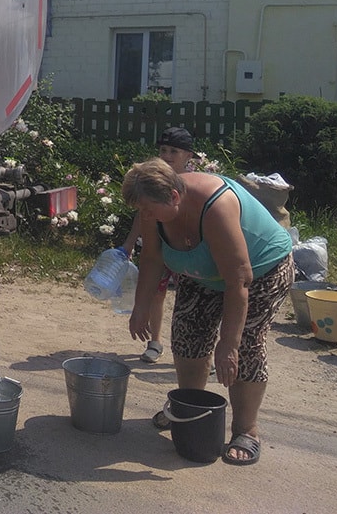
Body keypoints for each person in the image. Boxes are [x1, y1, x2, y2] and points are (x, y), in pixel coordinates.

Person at [121, 157, 294, 466]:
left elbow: (238, 281)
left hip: (258, 272)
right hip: (202, 272)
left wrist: (228, 343)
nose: (144, 216)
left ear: (173, 197)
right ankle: (190, 411)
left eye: (148, 209)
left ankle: (246, 431)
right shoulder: (153, 210)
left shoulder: (216, 207)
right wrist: (141, 306)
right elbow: (150, 259)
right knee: (188, 335)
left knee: (246, 345)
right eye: (140, 210)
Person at [121, 126, 195, 363]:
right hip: (157, 246)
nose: (167, 156)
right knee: (156, 293)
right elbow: (142, 214)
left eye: (174, 151)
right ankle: (155, 341)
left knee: (195, 299)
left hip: (186, 250)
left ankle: (201, 350)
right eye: (163, 150)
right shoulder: (151, 181)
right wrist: (130, 243)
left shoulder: (193, 183)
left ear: (188, 156)